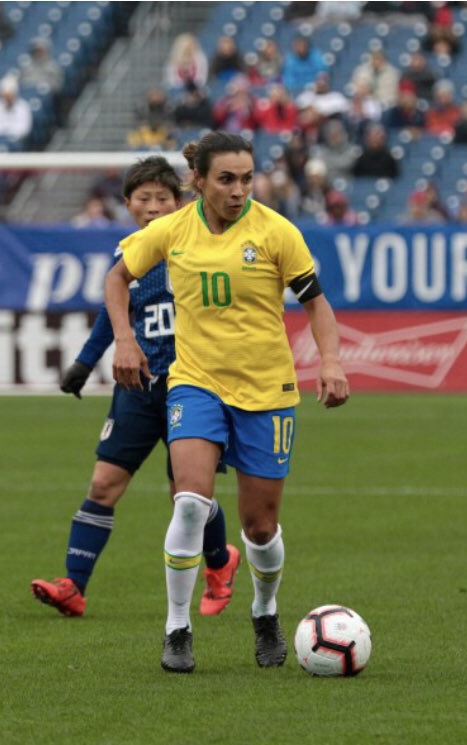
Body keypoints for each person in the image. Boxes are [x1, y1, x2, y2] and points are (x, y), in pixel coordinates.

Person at [104, 132, 350, 673]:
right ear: (198, 181)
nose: (239, 190)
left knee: (259, 528)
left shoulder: (276, 232)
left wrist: (330, 360)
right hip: (195, 382)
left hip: (266, 391)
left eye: (246, 179)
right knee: (190, 501)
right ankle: (177, 627)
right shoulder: (171, 230)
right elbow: (117, 277)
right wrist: (124, 339)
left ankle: (265, 610)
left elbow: (316, 303)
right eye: (226, 180)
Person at [32, 156, 240, 619]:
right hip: (139, 387)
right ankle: (73, 585)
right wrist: (84, 363)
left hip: (194, 387)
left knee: (186, 494)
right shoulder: (127, 256)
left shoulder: (201, 246)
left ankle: (219, 563)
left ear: (179, 203)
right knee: (103, 483)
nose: (152, 207)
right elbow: (113, 312)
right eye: (143, 199)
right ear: (127, 205)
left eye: (162, 198)